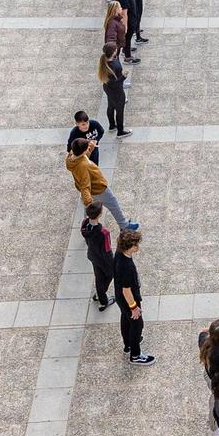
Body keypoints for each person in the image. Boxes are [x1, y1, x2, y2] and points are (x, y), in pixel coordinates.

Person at [67, 134, 135, 230]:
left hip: (92, 190)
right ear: (82, 152)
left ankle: (88, 226)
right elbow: (84, 185)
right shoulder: (83, 166)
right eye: (86, 149)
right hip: (98, 188)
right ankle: (124, 225)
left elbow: (83, 157)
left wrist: (90, 147)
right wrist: (89, 203)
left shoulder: (72, 156)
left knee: (89, 211)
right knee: (113, 203)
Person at [115, 228, 152, 363]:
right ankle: (135, 355)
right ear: (129, 247)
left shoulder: (119, 254)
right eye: (135, 244)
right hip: (129, 299)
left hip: (120, 298)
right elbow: (127, 290)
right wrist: (134, 307)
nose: (137, 247)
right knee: (137, 325)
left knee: (126, 321)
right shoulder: (127, 266)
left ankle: (128, 344)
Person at [81, 204, 114, 310]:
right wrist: (113, 264)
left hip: (92, 255)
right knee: (109, 276)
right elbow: (107, 251)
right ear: (100, 214)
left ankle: (99, 294)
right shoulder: (104, 233)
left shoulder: (85, 225)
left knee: (99, 276)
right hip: (103, 259)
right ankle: (102, 299)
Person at [100, 43, 131, 137]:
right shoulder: (113, 65)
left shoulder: (105, 62)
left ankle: (112, 125)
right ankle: (120, 131)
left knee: (111, 106)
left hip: (108, 89)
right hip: (116, 90)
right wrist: (124, 77)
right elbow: (115, 82)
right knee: (119, 110)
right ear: (114, 52)